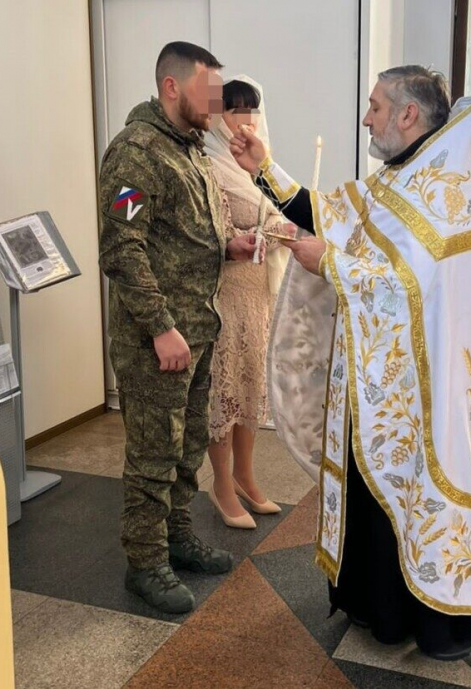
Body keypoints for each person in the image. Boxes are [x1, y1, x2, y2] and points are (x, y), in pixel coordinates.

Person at [231, 66, 471, 659]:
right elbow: (329, 212)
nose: (366, 118)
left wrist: (329, 265)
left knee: (418, 491)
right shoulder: (398, 179)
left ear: (408, 115)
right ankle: (378, 605)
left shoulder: (445, 189)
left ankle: (439, 619)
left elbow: (413, 285)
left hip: (427, 387)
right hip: (380, 380)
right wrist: (264, 166)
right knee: (374, 484)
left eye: (375, 106)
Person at [98, 41, 262, 615]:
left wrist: (228, 244)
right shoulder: (136, 153)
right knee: (152, 452)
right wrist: (161, 327)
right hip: (157, 341)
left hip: (199, 330)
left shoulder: (189, 150)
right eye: (207, 90)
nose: (216, 104)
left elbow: (184, 232)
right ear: (172, 87)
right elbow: (123, 248)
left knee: (188, 443)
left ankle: (176, 537)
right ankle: (145, 564)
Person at [203, 77, 294, 529]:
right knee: (225, 388)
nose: (245, 119)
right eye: (235, 110)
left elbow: (276, 214)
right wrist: (235, 242)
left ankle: (245, 475)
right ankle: (221, 483)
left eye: (251, 110)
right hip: (224, 294)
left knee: (250, 386)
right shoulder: (207, 162)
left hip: (257, 294)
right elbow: (204, 230)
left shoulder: (256, 165)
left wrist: (283, 229)